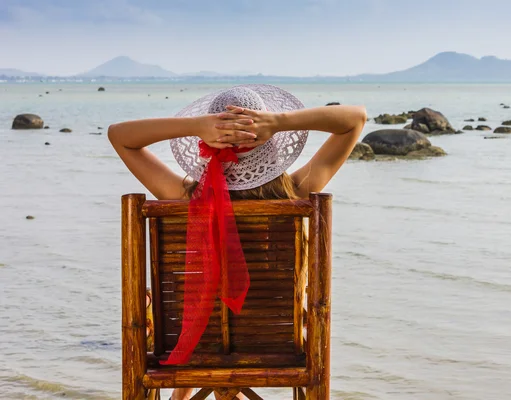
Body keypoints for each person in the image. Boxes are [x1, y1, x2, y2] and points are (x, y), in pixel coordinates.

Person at [109, 85, 367, 400]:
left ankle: (189, 395)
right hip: (275, 341)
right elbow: (356, 118)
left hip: (194, 343)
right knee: (236, 310)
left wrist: (196, 126)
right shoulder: (296, 192)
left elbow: (118, 135)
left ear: (206, 143)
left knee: (200, 302)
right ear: (271, 148)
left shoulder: (183, 197)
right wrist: (278, 122)